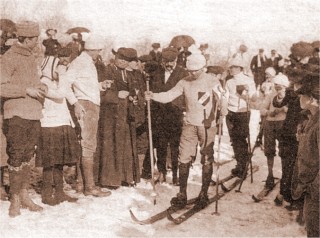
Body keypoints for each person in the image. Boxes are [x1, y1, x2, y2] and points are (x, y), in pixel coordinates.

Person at [145, 51, 227, 209]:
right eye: (189, 70)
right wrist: (153, 95)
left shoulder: (212, 80)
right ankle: (182, 193)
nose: (192, 73)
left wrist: (222, 112)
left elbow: (223, 97)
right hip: (189, 123)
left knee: (206, 158)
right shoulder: (184, 81)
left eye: (195, 71)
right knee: (183, 157)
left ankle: (203, 192)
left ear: (203, 68)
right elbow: (170, 95)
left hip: (206, 125)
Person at [0, 21, 47, 217]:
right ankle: (15, 199)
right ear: (25, 39)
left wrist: (41, 87)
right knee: (16, 156)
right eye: (35, 39)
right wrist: (25, 90)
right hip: (16, 114)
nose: (37, 42)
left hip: (33, 114)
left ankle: (25, 195)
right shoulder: (8, 58)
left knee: (28, 156)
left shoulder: (32, 58)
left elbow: (35, 81)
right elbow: (1, 87)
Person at [63, 35, 111, 197]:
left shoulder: (87, 62)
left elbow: (84, 85)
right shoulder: (79, 63)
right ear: (92, 50)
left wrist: (100, 86)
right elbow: (65, 84)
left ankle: (81, 184)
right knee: (89, 144)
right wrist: (75, 103)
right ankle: (89, 187)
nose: (99, 53)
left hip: (89, 103)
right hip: (86, 105)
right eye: (98, 50)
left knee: (85, 143)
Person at [36, 46, 81, 205]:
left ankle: (60, 192)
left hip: (61, 123)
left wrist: (76, 103)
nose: (61, 70)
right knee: (49, 162)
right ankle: (47, 195)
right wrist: (62, 75)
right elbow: (61, 93)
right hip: (49, 125)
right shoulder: (43, 82)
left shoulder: (56, 81)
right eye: (58, 67)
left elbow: (67, 90)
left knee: (59, 161)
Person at [97, 47, 145, 189]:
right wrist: (116, 96)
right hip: (110, 117)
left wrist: (132, 98)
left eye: (127, 60)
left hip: (125, 115)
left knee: (125, 145)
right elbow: (99, 94)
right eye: (121, 59)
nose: (123, 62)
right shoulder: (106, 71)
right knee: (111, 146)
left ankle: (126, 177)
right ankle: (110, 180)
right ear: (115, 58)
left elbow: (131, 91)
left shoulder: (128, 74)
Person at [140, 47, 189, 185]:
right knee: (161, 145)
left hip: (175, 114)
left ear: (176, 60)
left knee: (175, 146)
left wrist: (184, 110)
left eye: (171, 61)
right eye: (165, 61)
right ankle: (162, 172)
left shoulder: (183, 73)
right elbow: (151, 89)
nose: (168, 64)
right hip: (159, 115)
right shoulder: (156, 72)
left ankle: (175, 174)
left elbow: (186, 95)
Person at [292, 74, 319, 237]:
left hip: (316, 191)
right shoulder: (313, 119)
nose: (299, 98)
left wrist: (314, 189)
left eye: (301, 95)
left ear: (311, 98)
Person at [255, 74, 289, 189]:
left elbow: (291, 110)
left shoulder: (289, 95)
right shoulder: (271, 95)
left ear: (284, 85)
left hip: (282, 124)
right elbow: (262, 109)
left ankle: (285, 177)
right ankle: (270, 175)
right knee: (269, 150)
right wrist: (270, 112)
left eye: (278, 86)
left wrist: (283, 110)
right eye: (275, 85)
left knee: (284, 151)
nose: (276, 88)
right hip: (270, 124)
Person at [225, 56, 256, 178]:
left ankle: (243, 165)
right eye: (231, 67)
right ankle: (240, 164)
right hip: (230, 112)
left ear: (240, 68)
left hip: (242, 111)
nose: (231, 69)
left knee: (241, 139)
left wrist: (248, 92)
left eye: (234, 67)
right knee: (234, 140)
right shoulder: (229, 81)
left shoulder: (248, 80)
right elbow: (226, 96)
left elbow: (254, 97)